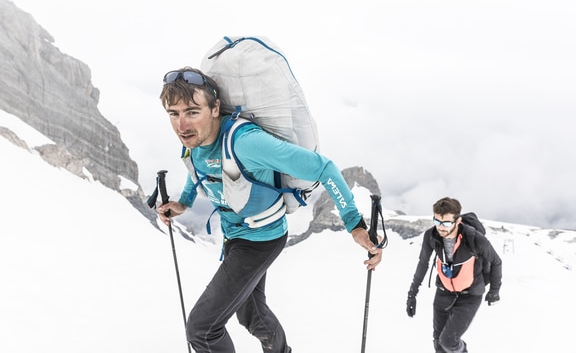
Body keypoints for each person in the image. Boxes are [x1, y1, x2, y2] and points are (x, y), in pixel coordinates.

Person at [155, 67, 383, 353]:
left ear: (215, 109)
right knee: (250, 313)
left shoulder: (247, 143)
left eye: (192, 111)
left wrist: (355, 224)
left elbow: (324, 168)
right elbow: (197, 168)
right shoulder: (195, 142)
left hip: (259, 241)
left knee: (202, 329)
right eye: (173, 114)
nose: (181, 125)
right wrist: (184, 203)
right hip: (235, 236)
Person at [405, 197, 502, 353]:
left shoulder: (475, 239)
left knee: (448, 341)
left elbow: (497, 262)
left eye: (446, 223)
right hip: (443, 292)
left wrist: (494, 291)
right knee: (438, 344)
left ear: (457, 221)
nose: (441, 228)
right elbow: (423, 264)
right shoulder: (431, 236)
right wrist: (412, 294)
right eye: (437, 222)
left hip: (470, 295)